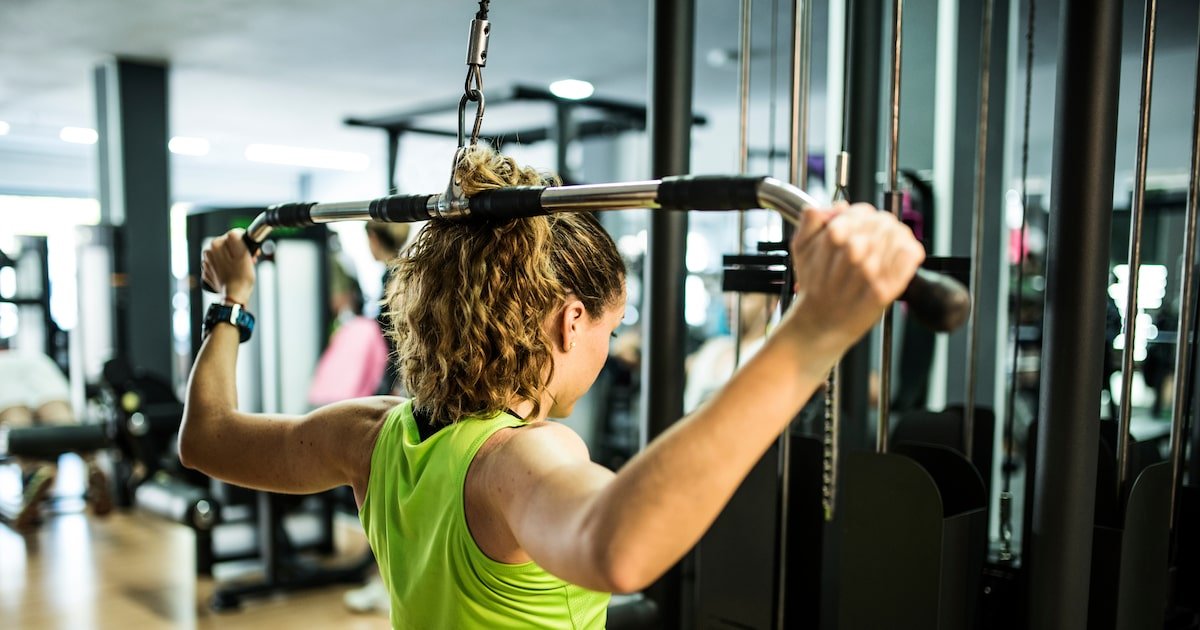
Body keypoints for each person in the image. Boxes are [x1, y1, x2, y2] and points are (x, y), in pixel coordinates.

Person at [180, 146, 924, 628]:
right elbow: (618, 550)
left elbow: (205, 437)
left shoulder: (367, 435)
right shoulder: (523, 460)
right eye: (612, 324)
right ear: (571, 322)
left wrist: (231, 302)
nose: (609, 342)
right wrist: (816, 329)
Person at [0, 344, 111, 530]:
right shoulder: (33, 356)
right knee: (61, 419)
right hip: (37, 363)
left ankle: (34, 469)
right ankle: (90, 462)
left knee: (18, 425)